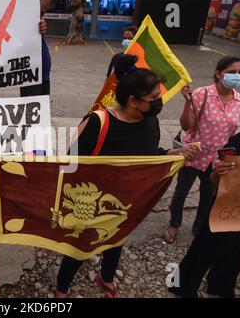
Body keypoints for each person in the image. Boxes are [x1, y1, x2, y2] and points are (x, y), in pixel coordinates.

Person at [55, 55, 200, 298]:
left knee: (117, 238)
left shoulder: (150, 121)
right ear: (133, 101)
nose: (159, 102)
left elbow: (150, 155)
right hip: (91, 202)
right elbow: (71, 161)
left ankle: (107, 276)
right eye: (153, 98)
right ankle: (62, 288)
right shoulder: (97, 122)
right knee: (81, 246)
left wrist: (174, 153)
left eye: (159, 95)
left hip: (126, 201)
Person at [163, 56, 240, 244]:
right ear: (219, 73)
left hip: (218, 158)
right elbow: (186, 126)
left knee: (208, 194)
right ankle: (174, 223)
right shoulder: (202, 94)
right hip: (194, 153)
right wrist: (187, 103)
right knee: (181, 191)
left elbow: (232, 129)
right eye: (232, 72)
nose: (237, 76)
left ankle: (199, 227)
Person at [168, 130, 240, 298]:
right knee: (204, 250)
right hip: (229, 210)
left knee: (239, 252)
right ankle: (182, 287)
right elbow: (214, 179)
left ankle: (221, 285)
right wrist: (220, 172)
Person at [20, 0, 52, 97]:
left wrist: (41, 25)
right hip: (31, 73)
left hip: (43, 72)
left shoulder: (33, 16)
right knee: (31, 110)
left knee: (42, 109)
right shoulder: (21, 16)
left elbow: (42, 8)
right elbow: (43, 6)